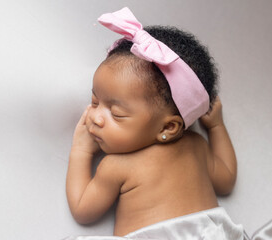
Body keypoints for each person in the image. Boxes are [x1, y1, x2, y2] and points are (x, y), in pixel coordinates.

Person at [66, 7, 245, 239]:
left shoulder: (117, 165)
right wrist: (216, 127)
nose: (95, 117)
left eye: (116, 114)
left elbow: (83, 209)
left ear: (168, 128)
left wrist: (81, 150)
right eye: (95, 101)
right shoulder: (197, 146)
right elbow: (226, 179)